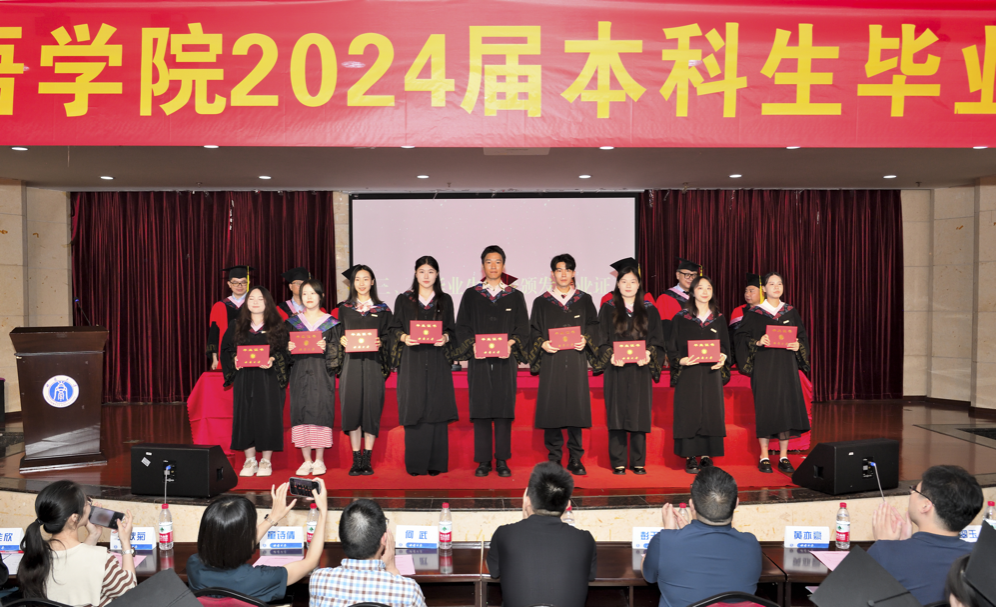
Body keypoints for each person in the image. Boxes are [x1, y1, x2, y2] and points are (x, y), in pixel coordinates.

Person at [187, 480, 328, 602]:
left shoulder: (193, 565)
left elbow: (236, 542)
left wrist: (273, 517)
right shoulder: (260, 578)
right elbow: (311, 561)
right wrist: (323, 512)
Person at [455, 245, 529, 478]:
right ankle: (484, 461)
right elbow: (462, 327)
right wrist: (472, 345)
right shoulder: (471, 295)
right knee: (481, 410)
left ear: (503, 265)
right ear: (483, 266)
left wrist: (511, 343)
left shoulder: (515, 296)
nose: (493, 266)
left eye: (497, 262)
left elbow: (523, 328)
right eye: (489, 262)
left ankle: (502, 460)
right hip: (479, 362)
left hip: (506, 362)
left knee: (504, 410)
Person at [642, 467, 762, 607]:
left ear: (691, 505)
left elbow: (649, 576)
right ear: (736, 503)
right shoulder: (751, 543)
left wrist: (669, 533)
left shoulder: (665, 541)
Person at [868, 465, 984, 605]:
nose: (911, 493)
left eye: (914, 489)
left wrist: (885, 546)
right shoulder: (982, 558)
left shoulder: (884, 552)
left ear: (925, 506)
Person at [487, 462, 596, 607]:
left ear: (527, 499)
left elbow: (494, 572)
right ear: (567, 504)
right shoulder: (585, 539)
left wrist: (526, 515)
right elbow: (590, 575)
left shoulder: (505, 534)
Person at [528, 254, 599, 475]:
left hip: (576, 362)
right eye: (559, 270)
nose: (563, 274)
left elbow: (594, 326)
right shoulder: (542, 302)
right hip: (553, 361)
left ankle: (575, 458)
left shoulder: (584, 300)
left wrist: (586, 339)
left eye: (568, 270)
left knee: (576, 408)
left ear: (574, 273)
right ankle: (555, 458)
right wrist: (543, 343)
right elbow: (534, 331)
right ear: (552, 274)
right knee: (554, 408)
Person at [733, 271, 810, 474]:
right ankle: (764, 456)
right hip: (764, 368)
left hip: (787, 367)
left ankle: (783, 456)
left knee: (786, 409)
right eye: (772, 284)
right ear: (764, 288)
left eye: (779, 284)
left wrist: (798, 346)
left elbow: (802, 337)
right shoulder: (755, 313)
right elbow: (740, 339)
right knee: (766, 409)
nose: (776, 287)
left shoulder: (790, 312)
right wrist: (757, 342)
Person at [389, 256, 459, 476]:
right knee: (415, 406)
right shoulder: (404, 299)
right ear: (415, 273)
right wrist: (404, 338)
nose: (426, 276)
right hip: (413, 360)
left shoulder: (445, 300)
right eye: (422, 271)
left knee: (437, 407)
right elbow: (394, 328)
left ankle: (436, 464)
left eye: (430, 271)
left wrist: (445, 338)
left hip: (437, 361)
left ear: (437, 274)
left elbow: (452, 329)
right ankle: (416, 464)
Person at [594, 261, 664, 475]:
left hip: (640, 370)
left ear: (639, 284)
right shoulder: (608, 308)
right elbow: (600, 339)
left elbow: (657, 339)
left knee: (638, 412)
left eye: (632, 281)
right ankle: (618, 462)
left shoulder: (650, 309)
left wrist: (649, 354)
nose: (628, 285)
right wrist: (611, 355)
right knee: (617, 413)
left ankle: (638, 461)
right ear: (617, 284)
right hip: (616, 369)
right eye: (624, 281)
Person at [19, 480, 137, 606]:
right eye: (87, 502)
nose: (90, 506)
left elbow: (75, 560)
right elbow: (130, 592)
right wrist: (125, 542)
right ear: (74, 517)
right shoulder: (101, 558)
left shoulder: (34, 557)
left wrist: (93, 535)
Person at [221, 285, 291, 478]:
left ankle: (266, 461)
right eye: (251, 298)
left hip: (269, 379)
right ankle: (250, 460)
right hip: (245, 378)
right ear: (246, 302)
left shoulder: (277, 326)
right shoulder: (237, 325)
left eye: (260, 299)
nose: (255, 302)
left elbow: (286, 353)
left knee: (268, 416)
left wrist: (273, 359)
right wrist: (234, 359)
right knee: (245, 416)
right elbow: (226, 349)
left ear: (268, 302)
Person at [666, 275, 731, 474]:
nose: (705, 292)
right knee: (689, 411)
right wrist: (681, 360)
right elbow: (671, 345)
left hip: (711, 374)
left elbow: (726, 346)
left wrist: (723, 357)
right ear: (692, 291)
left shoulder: (718, 318)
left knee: (710, 412)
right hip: (689, 373)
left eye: (708, 288)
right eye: (700, 288)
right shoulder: (681, 318)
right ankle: (690, 456)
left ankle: (706, 456)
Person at [310, 499, 426, 607]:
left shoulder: (319, 579)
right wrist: (392, 569)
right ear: (384, 539)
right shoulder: (409, 591)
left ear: (342, 537)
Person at [338, 264, 393, 476]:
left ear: (372, 282)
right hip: (351, 365)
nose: (361, 283)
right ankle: (356, 459)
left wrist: (382, 342)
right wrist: (341, 339)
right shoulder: (344, 309)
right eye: (357, 279)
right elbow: (336, 334)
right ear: (352, 283)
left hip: (373, 364)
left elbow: (390, 336)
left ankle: (367, 459)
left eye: (365, 279)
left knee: (370, 409)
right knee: (353, 409)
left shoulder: (383, 310)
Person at [286, 279, 342, 476]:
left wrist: (328, 348)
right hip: (299, 374)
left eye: (313, 293)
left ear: (321, 296)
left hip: (321, 374)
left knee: (320, 412)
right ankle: (306, 460)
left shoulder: (331, 323)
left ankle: (319, 460)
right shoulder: (292, 323)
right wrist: (288, 348)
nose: (308, 297)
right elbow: (282, 352)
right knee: (300, 413)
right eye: (305, 294)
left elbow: (339, 351)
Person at [208, 265, 252, 371]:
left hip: (250, 353)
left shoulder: (254, 304)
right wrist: (215, 359)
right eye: (235, 282)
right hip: (225, 354)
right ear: (229, 284)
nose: (239, 286)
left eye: (243, 282)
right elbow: (214, 334)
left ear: (248, 283)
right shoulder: (219, 306)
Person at [654, 257, 701, 337]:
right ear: (678, 275)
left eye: (694, 275)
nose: (691, 278)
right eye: (687, 275)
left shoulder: (700, 297)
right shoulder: (665, 298)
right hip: (675, 342)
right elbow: (664, 328)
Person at [727, 272, 763, 369]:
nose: (747, 294)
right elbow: (732, 338)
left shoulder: (770, 311)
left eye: (751, 291)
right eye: (746, 291)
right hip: (742, 355)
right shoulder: (738, 311)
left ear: (762, 292)